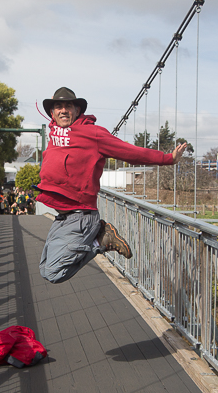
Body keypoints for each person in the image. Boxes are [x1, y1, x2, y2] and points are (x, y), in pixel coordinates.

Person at [37, 87, 188, 284]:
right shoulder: (55, 133)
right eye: (58, 106)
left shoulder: (93, 134)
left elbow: (130, 152)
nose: (63, 110)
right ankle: (100, 234)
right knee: (44, 267)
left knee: (53, 273)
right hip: (63, 216)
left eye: (68, 106)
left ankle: (100, 240)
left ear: (77, 111)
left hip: (80, 216)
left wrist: (168, 158)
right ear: (52, 112)